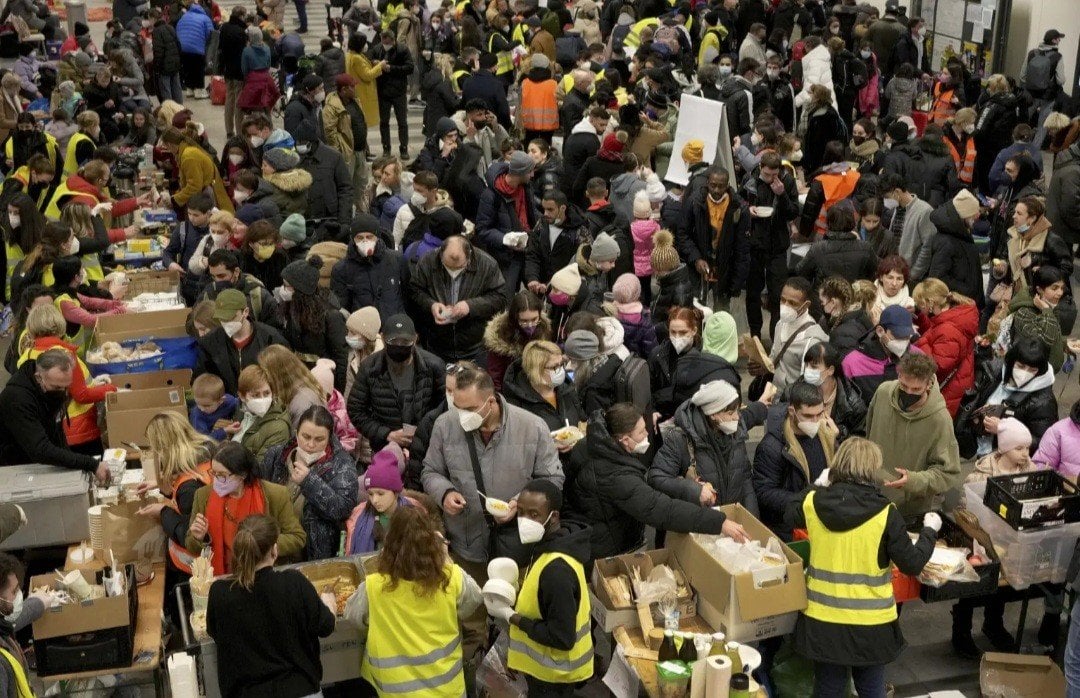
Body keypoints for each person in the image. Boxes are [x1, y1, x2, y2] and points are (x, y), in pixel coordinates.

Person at [420, 365, 563, 655]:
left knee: (516, 618)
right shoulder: (445, 426)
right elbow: (430, 471)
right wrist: (444, 493)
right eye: (457, 406)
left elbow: (553, 479)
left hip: (515, 548)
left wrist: (519, 503)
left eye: (469, 408)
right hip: (466, 543)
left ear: (491, 401)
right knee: (471, 625)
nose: (462, 415)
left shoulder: (532, 427)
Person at [792, 437, 937, 698]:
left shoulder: (813, 502)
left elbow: (787, 512)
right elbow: (912, 563)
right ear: (871, 470)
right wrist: (929, 531)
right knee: (871, 689)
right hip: (871, 625)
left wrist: (819, 484)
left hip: (823, 621)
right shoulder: (885, 512)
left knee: (828, 690)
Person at [567, 402, 746, 560]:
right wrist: (718, 522)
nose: (647, 433)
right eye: (640, 432)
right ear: (624, 440)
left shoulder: (593, 444)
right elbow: (662, 510)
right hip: (607, 547)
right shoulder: (617, 477)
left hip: (597, 531)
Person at [346, 505, 482, 696]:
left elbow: (353, 617)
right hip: (446, 689)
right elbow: (473, 600)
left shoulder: (374, 586)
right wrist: (445, 559)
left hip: (394, 690)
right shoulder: (450, 577)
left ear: (389, 545)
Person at [482, 479, 593, 695]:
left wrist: (510, 615)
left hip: (553, 676)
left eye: (534, 515)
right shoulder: (554, 545)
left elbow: (561, 637)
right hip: (549, 672)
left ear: (554, 517)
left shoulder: (557, 570)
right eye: (521, 512)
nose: (524, 521)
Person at [207, 515, 336, 698]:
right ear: (274, 551)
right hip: (299, 689)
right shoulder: (293, 582)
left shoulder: (220, 593)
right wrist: (329, 604)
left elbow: (214, 632)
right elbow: (326, 626)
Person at [951, 417, 1036, 658]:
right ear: (1005, 448)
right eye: (1019, 448)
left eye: (1027, 448)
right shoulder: (983, 473)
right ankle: (962, 632)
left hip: (1013, 541)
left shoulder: (1030, 470)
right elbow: (966, 504)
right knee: (976, 584)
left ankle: (993, 624)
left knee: (1002, 586)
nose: (1024, 454)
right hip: (982, 539)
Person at [650, 379, 768, 515]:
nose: (737, 417)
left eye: (737, 410)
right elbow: (656, 478)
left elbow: (745, 477)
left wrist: (752, 518)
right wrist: (694, 490)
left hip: (730, 519)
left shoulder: (735, 432)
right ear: (713, 414)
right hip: (698, 522)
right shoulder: (679, 439)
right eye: (731, 413)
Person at [865, 352, 962, 517]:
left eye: (916, 389)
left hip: (907, 509)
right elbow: (869, 434)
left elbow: (947, 473)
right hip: (870, 495)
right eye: (903, 386)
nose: (908, 393)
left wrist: (912, 480)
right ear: (898, 375)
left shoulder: (939, 419)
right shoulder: (883, 392)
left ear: (928, 384)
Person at [186, 441, 306, 575]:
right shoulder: (202, 496)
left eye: (222, 475)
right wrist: (199, 538)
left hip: (261, 576)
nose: (215, 480)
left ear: (242, 474)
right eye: (213, 473)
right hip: (221, 577)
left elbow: (297, 537)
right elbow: (191, 545)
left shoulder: (275, 494)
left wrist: (263, 544)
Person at [258, 406, 359, 560]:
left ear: (329, 438)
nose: (311, 445)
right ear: (296, 432)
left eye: (319, 439)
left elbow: (342, 508)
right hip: (273, 546)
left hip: (312, 552)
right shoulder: (276, 455)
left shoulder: (342, 465)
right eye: (306, 437)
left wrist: (309, 482)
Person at [16, 303, 116, 454]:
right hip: (79, 430)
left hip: (48, 430)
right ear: (59, 324)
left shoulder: (26, 357)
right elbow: (81, 395)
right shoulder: (64, 355)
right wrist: (112, 389)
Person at [0, 348, 108, 479]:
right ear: (38, 377)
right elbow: (40, 449)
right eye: (57, 387)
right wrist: (91, 464)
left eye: (67, 387)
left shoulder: (49, 389)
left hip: (40, 465)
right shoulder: (17, 400)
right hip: (17, 469)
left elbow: (57, 432)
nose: (63, 393)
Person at [349, 312, 446, 452]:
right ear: (382, 338)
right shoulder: (370, 368)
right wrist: (387, 434)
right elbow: (355, 410)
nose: (399, 346)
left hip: (427, 446)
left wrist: (424, 431)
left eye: (405, 342)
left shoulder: (434, 366)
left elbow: (445, 406)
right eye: (393, 341)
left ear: (416, 339)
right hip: (385, 447)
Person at [753, 381, 836, 540]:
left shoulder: (826, 434)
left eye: (819, 414)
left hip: (819, 522)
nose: (815, 421)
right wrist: (807, 500)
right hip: (789, 529)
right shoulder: (772, 447)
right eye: (808, 416)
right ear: (792, 411)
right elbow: (764, 492)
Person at [137, 412, 214, 575]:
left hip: (193, 569)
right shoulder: (207, 457)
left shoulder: (188, 489)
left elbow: (188, 535)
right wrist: (161, 486)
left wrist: (163, 512)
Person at [410, 236, 507, 363]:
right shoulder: (427, 262)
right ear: (441, 254)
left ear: (469, 257)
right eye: (448, 267)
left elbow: (500, 298)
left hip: (475, 346)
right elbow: (415, 290)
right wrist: (431, 305)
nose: (453, 272)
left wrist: (470, 306)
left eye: (459, 268)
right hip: (437, 345)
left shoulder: (487, 264)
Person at [740, 152, 800, 338]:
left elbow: (792, 212)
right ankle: (755, 333)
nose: (770, 179)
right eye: (767, 175)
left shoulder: (787, 181)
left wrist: (781, 195)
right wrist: (746, 209)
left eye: (774, 175)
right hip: (755, 244)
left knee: (777, 295)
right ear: (760, 168)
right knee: (753, 293)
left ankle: (776, 336)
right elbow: (738, 201)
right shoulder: (750, 179)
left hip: (777, 245)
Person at [678, 166, 750, 308]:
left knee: (721, 314)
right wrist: (696, 258)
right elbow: (682, 234)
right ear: (707, 183)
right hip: (699, 270)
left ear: (728, 186)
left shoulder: (739, 208)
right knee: (697, 311)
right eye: (713, 186)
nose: (716, 190)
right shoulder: (694, 202)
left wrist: (736, 283)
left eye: (721, 186)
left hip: (725, 271)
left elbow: (742, 249)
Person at [195, 289, 288, 396]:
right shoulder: (209, 343)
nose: (227, 322)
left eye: (231, 317)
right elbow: (203, 379)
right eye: (222, 318)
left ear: (245, 312)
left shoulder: (271, 339)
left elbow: (284, 378)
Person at [976, 338, 1058, 456]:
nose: (1024, 373)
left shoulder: (1044, 402)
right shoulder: (999, 373)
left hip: (1008, 462)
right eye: (1020, 366)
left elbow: (1044, 443)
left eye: (1032, 370)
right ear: (1012, 362)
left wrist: (1004, 430)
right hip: (984, 451)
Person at [277, 256, 348, 387]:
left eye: (287, 287)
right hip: (299, 377)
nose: (283, 290)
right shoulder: (291, 307)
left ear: (300, 291)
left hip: (323, 379)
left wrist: (337, 393)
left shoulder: (330, 315)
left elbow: (340, 358)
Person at [912, 280, 978, 417]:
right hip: (957, 386)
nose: (919, 307)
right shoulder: (952, 316)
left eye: (920, 305)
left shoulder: (948, 330)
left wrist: (918, 341)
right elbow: (933, 329)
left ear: (930, 304)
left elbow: (937, 366)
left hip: (949, 396)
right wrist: (918, 316)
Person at [753, 277, 830, 392]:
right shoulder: (780, 324)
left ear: (805, 305)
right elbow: (774, 358)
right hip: (774, 395)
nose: (785, 306)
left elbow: (814, 384)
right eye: (783, 300)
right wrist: (761, 367)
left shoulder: (813, 341)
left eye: (792, 303)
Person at [0, 552, 60, 694]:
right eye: (14, 592)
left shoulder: (3, 627)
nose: (19, 596)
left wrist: (38, 602)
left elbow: (14, 621)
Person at [331, 214, 409, 318]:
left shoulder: (396, 260)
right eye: (359, 238)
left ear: (377, 237)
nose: (365, 241)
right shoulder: (341, 269)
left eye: (369, 237)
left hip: (394, 327)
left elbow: (408, 295)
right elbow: (341, 307)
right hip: (363, 329)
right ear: (352, 239)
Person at [502, 338, 583, 437]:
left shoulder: (567, 388)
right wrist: (550, 446)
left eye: (561, 364)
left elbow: (581, 419)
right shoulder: (515, 403)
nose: (560, 370)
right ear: (536, 370)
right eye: (554, 367)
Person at [843, 304, 922, 403]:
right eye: (897, 335)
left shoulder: (918, 357)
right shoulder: (852, 362)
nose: (902, 341)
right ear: (880, 331)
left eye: (906, 336)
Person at [484, 291, 552, 392]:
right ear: (515, 318)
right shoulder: (501, 337)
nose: (530, 325)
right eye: (524, 321)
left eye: (534, 319)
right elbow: (495, 377)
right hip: (511, 392)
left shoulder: (543, 328)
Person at [926, 191, 985, 305]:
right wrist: (967, 290)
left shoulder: (961, 233)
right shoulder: (947, 241)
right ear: (963, 215)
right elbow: (938, 278)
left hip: (967, 304)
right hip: (957, 306)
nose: (976, 217)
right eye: (973, 214)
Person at [1003, 266, 1067, 372]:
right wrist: (1046, 310)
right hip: (1031, 375)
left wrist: (1064, 344)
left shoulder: (1049, 304)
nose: (1060, 293)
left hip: (1046, 373)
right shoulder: (1024, 313)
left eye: (1062, 288)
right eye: (1054, 288)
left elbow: (1052, 330)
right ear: (1039, 289)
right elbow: (1043, 341)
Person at [797, 204, 878, 286]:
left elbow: (801, 271)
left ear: (829, 223)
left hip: (824, 295)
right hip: (854, 294)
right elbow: (876, 270)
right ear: (852, 223)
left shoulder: (818, 248)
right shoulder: (865, 248)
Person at [258, 344, 326, 429]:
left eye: (265, 373)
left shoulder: (303, 403)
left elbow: (299, 440)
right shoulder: (293, 392)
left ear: (276, 375)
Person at [176, 0, 214, 99]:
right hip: (197, 47)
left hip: (183, 46)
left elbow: (178, 28)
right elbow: (210, 33)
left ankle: (189, 89)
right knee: (198, 68)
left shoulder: (184, 16)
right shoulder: (205, 18)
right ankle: (198, 90)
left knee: (187, 68)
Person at [189, 373, 240, 440]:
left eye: (206, 406)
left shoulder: (229, 402)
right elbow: (203, 440)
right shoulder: (197, 415)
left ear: (221, 401)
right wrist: (225, 430)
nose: (201, 409)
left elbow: (238, 404)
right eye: (197, 403)